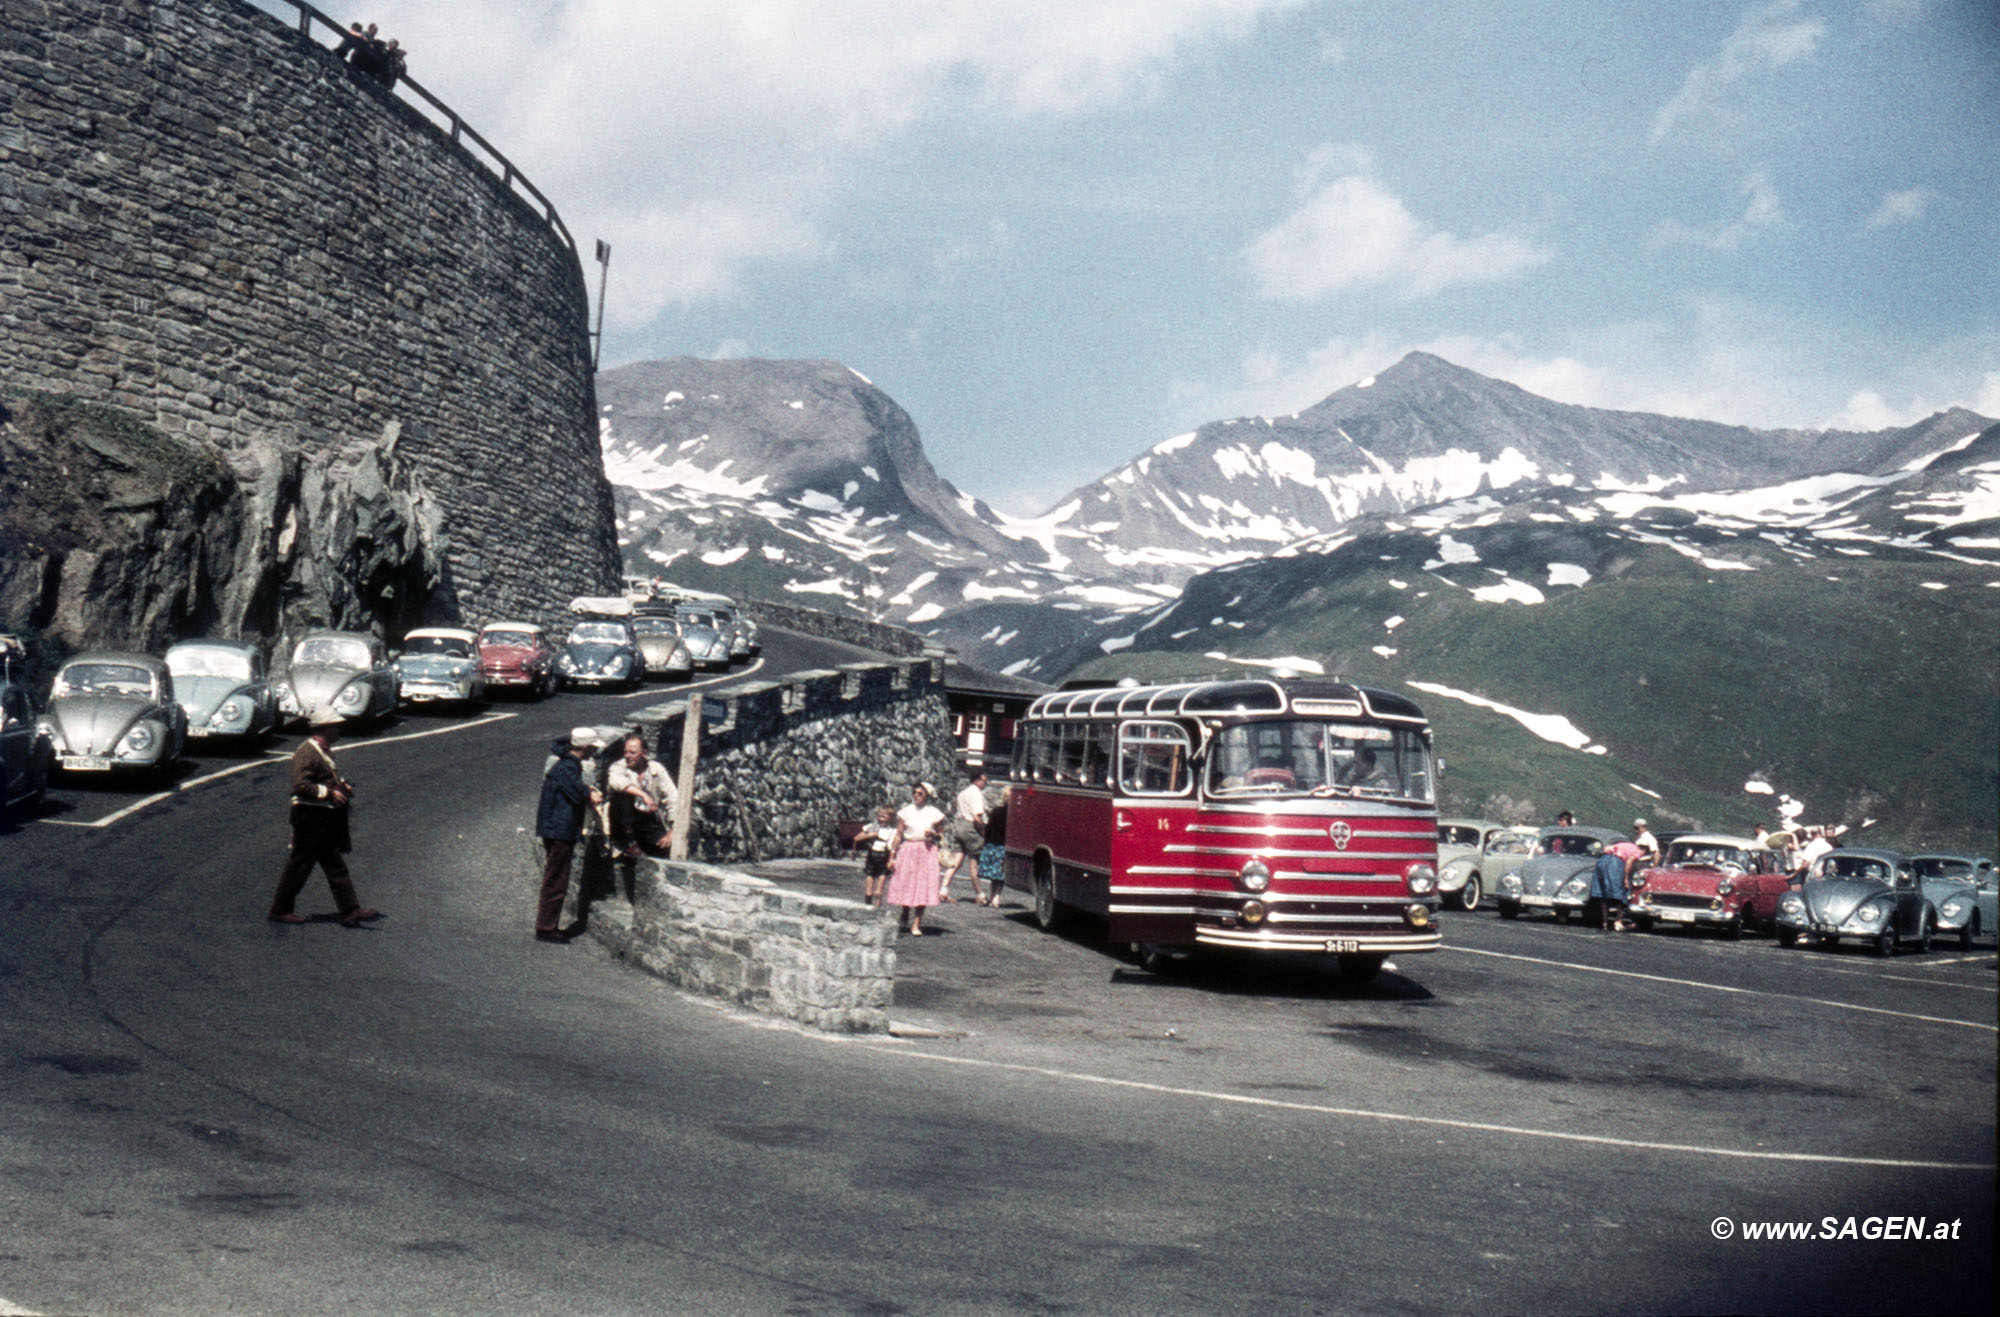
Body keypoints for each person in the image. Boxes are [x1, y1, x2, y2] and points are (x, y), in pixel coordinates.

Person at [267, 711, 381, 927]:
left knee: (334, 864)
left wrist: (340, 787)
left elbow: (322, 780)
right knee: (299, 865)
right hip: (310, 818)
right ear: (325, 728)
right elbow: (301, 786)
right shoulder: (307, 753)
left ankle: (350, 910)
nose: (339, 730)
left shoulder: (322, 751)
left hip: (323, 819)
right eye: (336, 726)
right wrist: (330, 793)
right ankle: (280, 909)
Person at [534, 728, 605, 943]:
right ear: (584, 748)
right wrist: (589, 793)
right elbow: (575, 792)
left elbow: (573, 787)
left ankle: (548, 925)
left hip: (557, 829)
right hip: (559, 831)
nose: (594, 751)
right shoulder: (566, 767)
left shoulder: (566, 765)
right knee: (556, 878)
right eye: (592, 747)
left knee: (557, 876)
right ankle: (546, 928)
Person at [883, 782, 945, 936]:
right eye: (915, 792)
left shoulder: (935, 813)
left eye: (920, 793)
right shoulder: (905, 812)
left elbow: (941, 835)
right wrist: (892, 856)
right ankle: (905, 910)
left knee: (923, 886)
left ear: (928, 796)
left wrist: (933, 835)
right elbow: (898, 835)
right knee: (906, 882)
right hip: (908, 849)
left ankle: (917, 922)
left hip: (927, 850)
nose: (916, 796)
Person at [607, 732, 677, 858]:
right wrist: (644, 795)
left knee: (665, 848)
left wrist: (673, 831)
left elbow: (673, 797)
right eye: (625, 752)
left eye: (632, 752)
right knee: (623, 795)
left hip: (646, 821)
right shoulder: (618, 767)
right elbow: (617, 781)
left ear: (644, 753)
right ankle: (628, 842)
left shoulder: (656, 768)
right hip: (624, 822)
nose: (628, 756)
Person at [942, 772, 990, 904]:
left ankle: (943, 889)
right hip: (970, 828)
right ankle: (979, 894)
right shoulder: (976, 794)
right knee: (974, 864)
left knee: (956, 860)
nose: (986, 783)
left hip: (959, 825)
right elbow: (977, 817)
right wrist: (983, 833)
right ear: (978, 780)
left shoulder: (962, 793)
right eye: (985, 780)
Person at [1593, 839, 1643, 931]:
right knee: (1621, 891)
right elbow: (1629, 862)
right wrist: (1626, 879)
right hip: (1614, 863)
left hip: (1602, 861)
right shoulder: (1637, 852)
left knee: (1604, 892)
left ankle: (1605, 922)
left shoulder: (1623, 844)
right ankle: (1618, 921)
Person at [857, 805, 896, 906]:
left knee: (881, 878)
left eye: (883, 817)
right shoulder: (871, 826)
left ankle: (878, 900)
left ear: (891, 818)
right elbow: (857, 838)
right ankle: (868, 900)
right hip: (872, 854)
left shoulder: (893, 831)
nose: (880, 819)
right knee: (869, 876)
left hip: (884, 855)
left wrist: (891, 860)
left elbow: (893, 848)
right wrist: (870, 835)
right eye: (879, 816)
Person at [978, 788, 1009, 908]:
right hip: (1004, 845)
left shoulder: (996, 811)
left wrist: (986, 842)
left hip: (993, 844)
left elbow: (989, 828)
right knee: (1000, 873)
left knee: (993, 874)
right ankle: (997, 897)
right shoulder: (1015, 813)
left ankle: (991, 896)